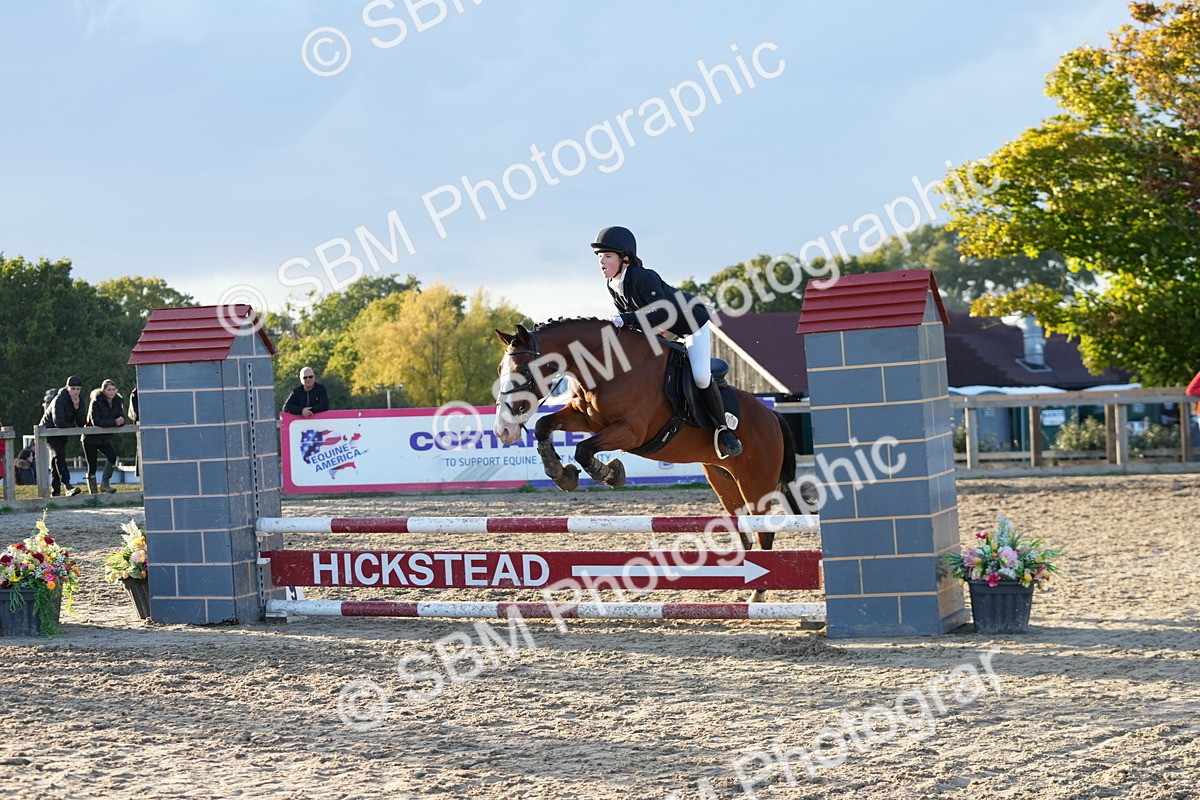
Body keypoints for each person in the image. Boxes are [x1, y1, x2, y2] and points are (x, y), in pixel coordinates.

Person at [591, 225, 742, 457]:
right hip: (662, 329)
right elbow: (635, 325)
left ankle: (723, 430)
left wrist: (625, 319)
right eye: (600, 257)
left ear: (625, 259)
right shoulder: (613, 285)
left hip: (691, 323)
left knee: (701, 376)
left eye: (607, 256)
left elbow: (663, 313)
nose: (601, 262)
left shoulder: (644, 277)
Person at [43, 375, 86, 496]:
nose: (75, 392)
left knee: (56, 459)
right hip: (49, 431)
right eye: (73, 389)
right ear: (67, 388)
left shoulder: (80, 401)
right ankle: (67, 485)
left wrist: (77, 408)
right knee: (59, 455)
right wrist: (73, 425)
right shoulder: (59, 400)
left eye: (78, 389)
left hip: (62, 433)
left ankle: (55, 491)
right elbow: (59, 422)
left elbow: (82, 422)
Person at [83, 379, 126, 494]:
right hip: (91, 438)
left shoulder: (117, 402)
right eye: (109, 390)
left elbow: (121, 417)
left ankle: (105, 484)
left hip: (105, 438)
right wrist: (114, 422)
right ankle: (93, 492)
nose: (111, 392)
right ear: (103, 390)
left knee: (112, 457)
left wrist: (121, 421)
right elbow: (96, 421)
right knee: (92, 466)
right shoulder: (96, 401)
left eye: (113, 389)